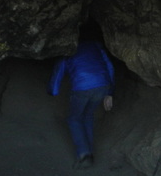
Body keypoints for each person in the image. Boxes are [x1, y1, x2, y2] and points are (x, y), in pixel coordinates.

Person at [47, 22, 115, 168]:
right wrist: (110, 92)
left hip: (82, 87)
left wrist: (53, 91)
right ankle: (90, 153)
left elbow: (58, 72)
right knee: (88, 116)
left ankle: (84, 154)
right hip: (102, 85)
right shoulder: (96, 45)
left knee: (74, 119)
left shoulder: (67, 50)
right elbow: (109, 66)